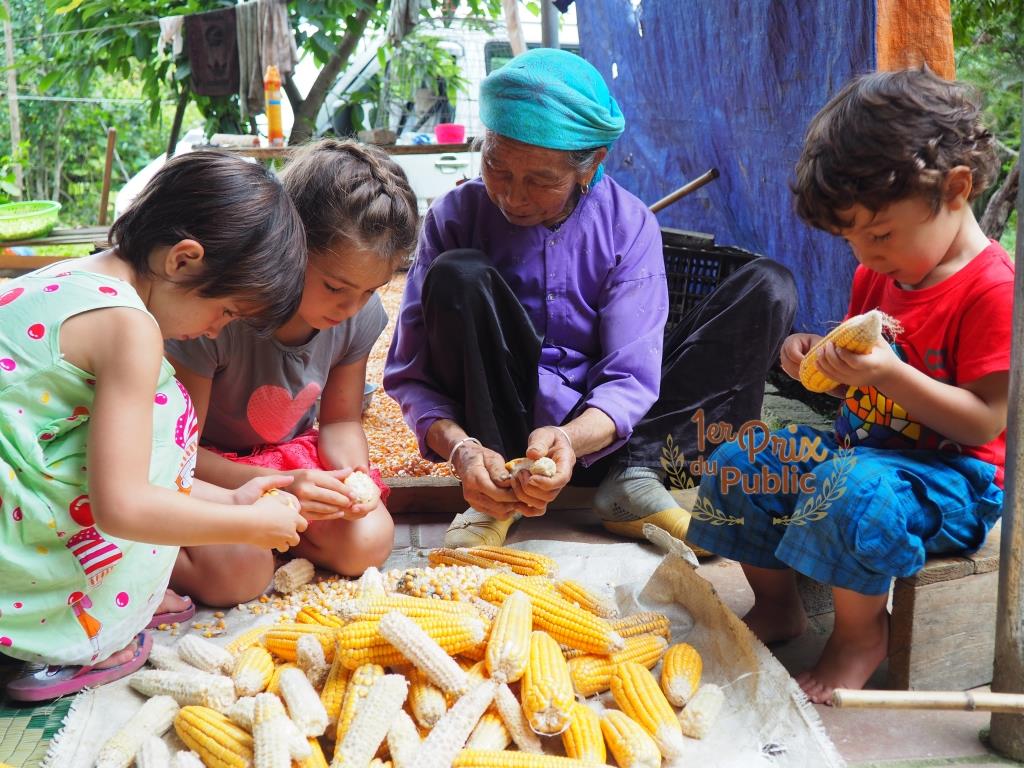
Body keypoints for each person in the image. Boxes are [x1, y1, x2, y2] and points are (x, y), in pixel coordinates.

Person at [687, 67, 1013, 703]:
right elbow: (864, 392)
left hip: (954, 480)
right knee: (741, 460)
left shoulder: (992, 288)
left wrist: (890, 372)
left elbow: (983, 421)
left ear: (956, 189)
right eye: (850, 240)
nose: (865, 255)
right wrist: (824, 365)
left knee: (850, 487)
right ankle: (777, 605)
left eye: (880, 234)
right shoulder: (879, 276)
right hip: (858, 454)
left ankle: (862, 636)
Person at [384, 48, 796, 548]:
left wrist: (569, 438)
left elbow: (630, 377)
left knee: (768, 286)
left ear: (591, 164)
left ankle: (634, 478)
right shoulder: (455, 216)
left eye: (541, 181)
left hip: (614, 438)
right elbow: (412, 373)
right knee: (459, 274)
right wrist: (462, 449)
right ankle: (499, 493)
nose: (513, 196)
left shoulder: (627, 224)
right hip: (503, 433)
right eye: (497, 168)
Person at [0, 151, 309, 701]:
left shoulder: (77, 276)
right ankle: (65, 639)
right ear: (183, 260)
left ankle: (107, 601)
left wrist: (232, 501)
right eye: (227, 312)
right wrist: (248, 525)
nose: (216, 331)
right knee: (166, 409)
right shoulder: (130, 328)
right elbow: (122, 504)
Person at [167, 139, 418, 604]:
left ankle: (275, 536)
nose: (350, 308)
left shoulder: (356, 318)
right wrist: (283, 488)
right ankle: (144, 558)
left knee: (368, 541)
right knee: (238, 574)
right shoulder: (217, 317)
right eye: (335, 287)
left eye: (369, 291)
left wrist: (349, 478)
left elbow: (341, 420)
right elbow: (179, 455)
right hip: (210, 472)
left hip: (286, 462)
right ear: (288, 246)